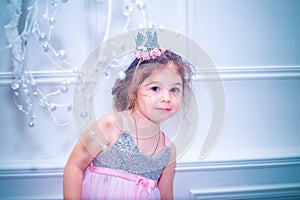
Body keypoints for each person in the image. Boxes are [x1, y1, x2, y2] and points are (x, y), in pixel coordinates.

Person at [63, 31, 193, 200]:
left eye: (174, 89)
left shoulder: (168, 150)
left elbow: (166, 195)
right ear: (133, 91)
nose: (167, 98)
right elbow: (74, 166)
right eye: (155, 88)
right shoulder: (111, 126)